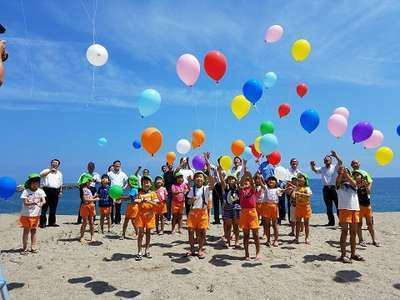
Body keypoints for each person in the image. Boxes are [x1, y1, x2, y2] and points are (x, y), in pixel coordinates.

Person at [186, 153, 214, 259]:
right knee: (190, 231)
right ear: (194, 179)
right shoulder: (192, 189)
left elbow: (212, 183)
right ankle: (192, 249)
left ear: (203, 179)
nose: (199, 179)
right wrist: (191, 200)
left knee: (201, 232)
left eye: (200, 177)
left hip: (203, 212)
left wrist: (208, 167)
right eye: (197, 177)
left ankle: (200, 250)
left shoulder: (206, 188)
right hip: (193, 212)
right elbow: (188, 203)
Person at [336, 166, 364, 263]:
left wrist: (346, 174)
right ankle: (343, 255)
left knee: (353, 233)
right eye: (342, 173)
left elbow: (354, 183)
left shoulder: (353, 184)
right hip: (344, 209)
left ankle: (353, 254)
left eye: (346, 172)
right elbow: (338, 182)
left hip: (355, 209)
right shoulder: (339, 184)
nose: (344, 174)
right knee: (344, 232)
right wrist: (341, 173)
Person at [310, 150, 342, 226]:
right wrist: (312, 165)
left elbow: (340, 162)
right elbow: (314, 170)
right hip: (326, 189)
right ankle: (331, 222)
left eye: (328, 159)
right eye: (325, 160)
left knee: (338, 206)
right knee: (328, 207)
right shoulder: (322, 168)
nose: (326, 160)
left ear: (331, 161)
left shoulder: (335, 167)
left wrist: (335, 155)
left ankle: (341, 221)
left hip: (334, 188)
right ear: (324, 161)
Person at [353, 170, 381, 247]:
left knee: (370, 224)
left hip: (367, 206)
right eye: (354, 175)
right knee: (359, 224)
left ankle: (374, 239)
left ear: (361, 176)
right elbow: (354, 192)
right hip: (359, 207)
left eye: (358, 175)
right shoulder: (353, 185)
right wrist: (358, 185)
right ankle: (361, 240)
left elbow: (369, 192)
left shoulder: (365, 183)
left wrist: (365, 186)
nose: (356, 177)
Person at [239, 160, 261, 260]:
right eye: (245, 182)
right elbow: (242, 179)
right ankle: (247, 254)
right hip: (244, 213)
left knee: (255, 235)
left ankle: (258, 253)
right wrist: (244, 167)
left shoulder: (253, 189)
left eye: (247, 181)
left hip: (252, 212)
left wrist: (246, 167)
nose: (246, 182)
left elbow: (251, 181)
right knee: (246, 235)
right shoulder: (241, 190)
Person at [19, 174, 46, 255]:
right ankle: (24, 248)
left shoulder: (40, 191)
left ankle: (33, 247)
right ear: (30, 183)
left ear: (39, 183)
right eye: (33, 183)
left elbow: (44, 200)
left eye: (37, 183)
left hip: (36, 215)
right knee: (26, 231)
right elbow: (25, 203)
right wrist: (33, 202)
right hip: (26, 215)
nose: (35, 185)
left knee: (34, 231)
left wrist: (41, 203)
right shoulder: (26, 191)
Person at [135, 176, 159, 261]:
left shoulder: (153, 193)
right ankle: (139, 251)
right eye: (144, 182)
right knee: (141, 234)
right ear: (141, 184)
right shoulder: (140, 193)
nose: (146, 184)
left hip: (150, 216)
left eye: (147, 182)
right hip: (141, 216)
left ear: (150, 184)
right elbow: (136, 201)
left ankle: (147, 250)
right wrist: (139, 200)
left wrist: (148, 201)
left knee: (148, 233)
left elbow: (156, 204)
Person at [218, 167, 241, 248]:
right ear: (227, 180)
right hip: (227, 208)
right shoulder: (225, 187)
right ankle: (228, 241)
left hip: (236, 207)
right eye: (229, 179)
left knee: (236, 225)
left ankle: (237, 241)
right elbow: (221, 179)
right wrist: (219, 171)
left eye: (233, 178)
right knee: (228, 226)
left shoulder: (238, 188)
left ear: (236, 180)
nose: (231, 180)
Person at [39, 159, 63, 228]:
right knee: (44, 207)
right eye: (53, 162)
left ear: (58, 165)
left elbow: (61, 183)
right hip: (46, 190)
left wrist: (60, 191)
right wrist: (50, 171)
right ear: (51, 163)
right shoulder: (46, 170)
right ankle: (42, 223)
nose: (54, 164)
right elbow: (41, 175)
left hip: (55, 191)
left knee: (53, 208)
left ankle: (52, 222)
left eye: (56, 163)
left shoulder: (59, 173)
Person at [260, 176, 283, 247]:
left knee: (275, 225)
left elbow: (283, 191)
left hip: (274, 207)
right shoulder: (266, 188)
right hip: (266, 207)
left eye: (273, 180)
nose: (271, 181)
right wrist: (260, 177)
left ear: (276, 182)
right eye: (270, 180)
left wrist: (287, 189)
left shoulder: (277, 189)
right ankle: (268, 240)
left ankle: (276, 240)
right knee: (267, 225)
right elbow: (261, 184)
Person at [78, 174, 99, 243]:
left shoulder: (88, 189)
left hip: (91, 206)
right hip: (85, 207)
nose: (91, 182)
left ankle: (92, 236)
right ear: (86, 181)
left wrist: (94, 196)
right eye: (90, 181)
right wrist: (95, 200)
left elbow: (89, 198)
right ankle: (82, 236)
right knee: (85, 222)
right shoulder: (83, 189)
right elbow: (85, 200)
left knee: (91, 222)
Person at [292, 173, 312, 244]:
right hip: (298, 207)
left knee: (306, 223)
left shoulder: (307, 188)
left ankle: (307, 238)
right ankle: (296, 238)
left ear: (305, 180)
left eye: (301, 178)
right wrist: (294, 191)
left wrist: (300, 194)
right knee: (298, 223)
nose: (299, 179)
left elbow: (309, 195)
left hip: (306, 207)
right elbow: (293, 196)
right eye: (299, 178)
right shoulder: (297, 187)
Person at [107, 160, 128, 224]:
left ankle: (117, 220)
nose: (117, 166)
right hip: (111, 192)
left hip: (119, 192)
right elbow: (105, 181)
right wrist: (108, 187)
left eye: (119, 165)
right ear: (113, 166)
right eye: (116, 165)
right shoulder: (109, 173)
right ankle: (111, 220)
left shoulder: (123, 174)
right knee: (111, 207)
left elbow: (127, 182)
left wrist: (123, 188)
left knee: (118, 207)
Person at [121, 175, 140, 240]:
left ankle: (137, 234)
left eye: (128, 182)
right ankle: (123, 234)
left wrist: (120, 197)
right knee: (126, 220)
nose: (127, 183)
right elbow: (128, 198)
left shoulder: (134, 189)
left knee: (133, 221)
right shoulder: (133, 189)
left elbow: (128, 197)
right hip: (130, 206)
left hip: (134, 207)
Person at [286, 158, 301, 224]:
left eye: (295, 162)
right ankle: (291, 221)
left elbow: (300, 181)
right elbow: (286, 180)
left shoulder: (299, 172)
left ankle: (297, 220)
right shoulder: (287, 171)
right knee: (290, 205)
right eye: (292, 162)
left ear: (297, 164)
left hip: (297, 190)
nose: (294, 163)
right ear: (290, 163)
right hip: (290, 189)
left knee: (298, 205)